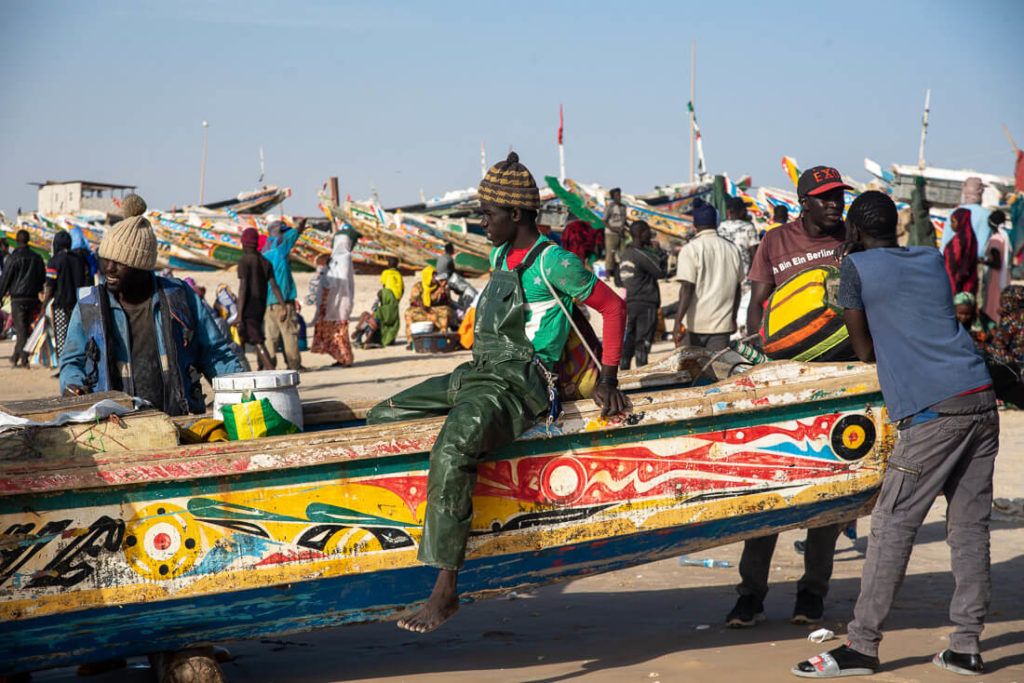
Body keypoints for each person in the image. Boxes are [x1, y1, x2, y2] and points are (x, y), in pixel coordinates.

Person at [366, 152, 628, 634]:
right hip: (480, 372)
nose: (480, 221)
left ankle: (445, 588)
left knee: (453, 446)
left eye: (487, 213)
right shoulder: (497, 256)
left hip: (521, 383)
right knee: (385, 414)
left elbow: (613, 307)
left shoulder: (555, 262)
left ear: (516, 215)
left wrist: (608, 379)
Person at [793, 191, 998, 678]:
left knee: (890, 527)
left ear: (856, 233)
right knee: (969, 530)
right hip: (980, 397)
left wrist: (850, 271)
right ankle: (966, 646)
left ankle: (862, 646)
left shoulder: (855, 271)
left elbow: (864, 350)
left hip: (931, 412)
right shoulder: (930, 258)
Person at [732, 166, 852, 629]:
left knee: (830, 489)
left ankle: (812, 594)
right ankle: (750, 596)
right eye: (823, 197)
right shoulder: (775, 242)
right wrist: (755, 352)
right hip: (783, 379)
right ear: (803, 201)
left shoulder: (851, 240)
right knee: (770, 487)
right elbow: (757, 305)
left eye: (837, 196)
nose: (833, 204)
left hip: (841, 379)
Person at [60, 197, 244, 415]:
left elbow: (215, 354)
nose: (109, 268)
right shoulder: (90, 306)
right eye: (105, 259)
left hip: (177, 421)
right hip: (115, 426)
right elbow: (72, 361)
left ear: (142, 266)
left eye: (119, 262)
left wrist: (243, 393)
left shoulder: (179, 296)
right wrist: (72, 384)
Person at [672, 199, 743, 352]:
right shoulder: (732, 249)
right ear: (716, 223)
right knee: (717, 371)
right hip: (722, 325)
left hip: (694, 325)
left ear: (695, 226)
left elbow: (687, 288)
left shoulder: (691, 249)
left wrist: (677, 321)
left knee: (692, 371)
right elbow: (737, 288)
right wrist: (734, 318)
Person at [618, 220, 667, 368]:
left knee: (630, 341)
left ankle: (624, 375)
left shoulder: (626, 254)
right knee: (643, 343)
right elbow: (660, 272)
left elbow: (618, 280)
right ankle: (642, 376)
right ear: (639, 234)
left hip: (631, 303)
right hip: (646, 303)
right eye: (647, 232)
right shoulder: (641, 254)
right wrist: (659, 253)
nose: (650, 234)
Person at [237, 227, 286, 371]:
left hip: (248, 308)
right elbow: (275, 286)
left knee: (257, 341)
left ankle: (270, 369)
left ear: (245, 244)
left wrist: (239, 314)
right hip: (260, 306)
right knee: (243, 337)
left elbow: (243, 288)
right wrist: (283, 306)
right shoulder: (266, 262)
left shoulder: (244, 261)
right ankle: (243, 370)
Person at [262, 218, 308, 371]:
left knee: (270, 337)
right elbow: (296, 233)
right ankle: (294, 365)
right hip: (283, 301)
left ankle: (269, 366)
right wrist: (301, 225)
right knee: (289, 334)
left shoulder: (264, 251)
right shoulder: (281, 246)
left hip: (267, 301)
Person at [312, 223, 358, 367]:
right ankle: (341, 358)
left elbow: (340, 281)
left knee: (339, 331)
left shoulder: (342, 258)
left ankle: (345, 358)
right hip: (334, 299)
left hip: (338, 299)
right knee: (333, 331)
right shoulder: (340, 257)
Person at [0, 229, 45, 368]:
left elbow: (5, 279)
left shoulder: (13, 258)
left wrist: (0, 296)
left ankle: (17, 358)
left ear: (18, 241)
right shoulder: (36, 258)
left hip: (18, 298)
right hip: (32, 297)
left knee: (21, 329)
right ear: (28, 240)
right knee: (24, 328)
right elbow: (41, 278)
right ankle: (22, 358)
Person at [40, 230, 87, 360]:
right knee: (77, 334)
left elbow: (50, 286)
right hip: (77, 304)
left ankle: (64, 365)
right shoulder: (78, 260)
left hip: (61, 304)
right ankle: (77, 362)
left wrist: (44, 305)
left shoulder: (54, 262)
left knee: (61, 336)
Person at [940, 176, 991, 259]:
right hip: (975, 263)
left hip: (953, 259)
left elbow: (945, 243)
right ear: (980, 193)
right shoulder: (987, 214)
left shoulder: (954, 212)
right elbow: (983, 246)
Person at [405, 266, 457, 338]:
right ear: (427, 276)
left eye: (435, 274)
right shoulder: (418, 286)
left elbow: (447, 301)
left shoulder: (440, 286)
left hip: (436, 310)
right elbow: (413, 301)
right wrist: (420, 304)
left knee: (446, 311)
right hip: (423, 310)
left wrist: (443, 289)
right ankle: (411, 340)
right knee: (408, 312)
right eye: (433, 275)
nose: (435, 277)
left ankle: (442, 337)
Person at [718, 196, 759, 276]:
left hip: (724, 276)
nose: (746, 211)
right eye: (745, 209)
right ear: (742, 211)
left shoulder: (721, 227)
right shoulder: (749, 228)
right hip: (744, 278)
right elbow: (755, 256)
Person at [981, 210, 1010, 323]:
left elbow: (997, 263)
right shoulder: (1004, 237)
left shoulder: (996, 240)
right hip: (1003, 278)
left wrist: (984, 261)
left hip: (995, 279)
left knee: (993, 307)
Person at [943, 208, 979, 296]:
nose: (951, 225)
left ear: (961, 221)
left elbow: (954, 263)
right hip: (969, 284)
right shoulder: (971, 238)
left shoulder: (959, 241)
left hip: (954, 283)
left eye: (953, 222)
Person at [603, 187, 627, 279]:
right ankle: (608, 273)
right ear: (613, 197)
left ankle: (624, 271)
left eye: (619, 195)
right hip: (610, 233)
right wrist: (613, 228)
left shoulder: (623, 207)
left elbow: (624, 220)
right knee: (610, 253)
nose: (618, 197)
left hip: (621, 232)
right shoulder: (610, 207)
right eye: (616, 195)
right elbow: (604, 221)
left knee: (624, 252)